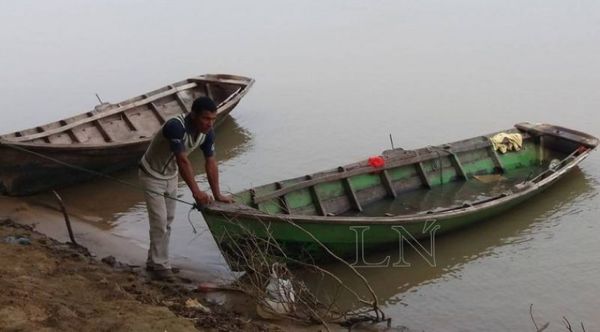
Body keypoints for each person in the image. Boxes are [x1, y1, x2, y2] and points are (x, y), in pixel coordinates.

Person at [139, 96, 233, 280]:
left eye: (213, 119)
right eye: (206, 118)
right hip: (150, 174)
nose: (210, 123)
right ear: (193, 115)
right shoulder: (176, 126)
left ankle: (155, 261)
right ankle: (161, 266)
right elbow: (182, 160)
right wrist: (196, 192)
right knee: (159, 221)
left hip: (170, 176)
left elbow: (211, 162)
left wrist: (217, 194)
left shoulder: (208, 133)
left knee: (168, 221)